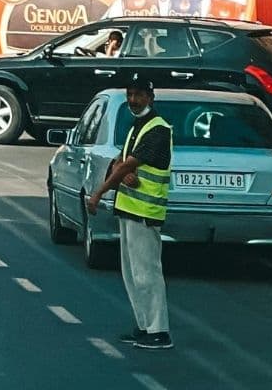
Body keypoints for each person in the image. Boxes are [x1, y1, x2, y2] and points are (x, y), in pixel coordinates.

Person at [86, 78, 174, 352]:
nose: (133, 100)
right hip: (129, 209)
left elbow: (128, 165)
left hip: (145, 213)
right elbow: (121, 162)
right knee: (132, 273)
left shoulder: (158, 129)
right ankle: (144, 326)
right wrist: (123, 172)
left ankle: (159, 332)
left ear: (151, 96)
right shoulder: (138, 125)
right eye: (130, 95)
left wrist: (99, 192)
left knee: (147, 273)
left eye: (138, 95)